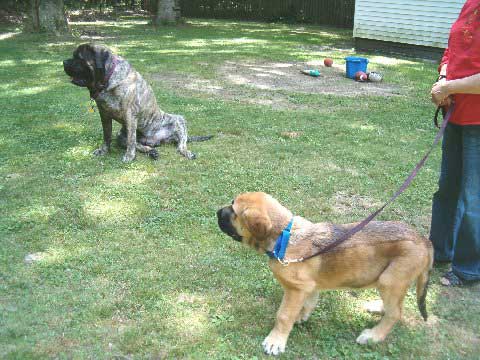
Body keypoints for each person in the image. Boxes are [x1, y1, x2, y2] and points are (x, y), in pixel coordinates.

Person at [430, 0, 480, 286]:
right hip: (457, 112)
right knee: (447, 188)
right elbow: (454, 50)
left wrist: (450, 87)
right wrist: (444, 77)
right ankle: (439, 251)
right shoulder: (470, 4)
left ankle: (469, 268)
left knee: (473, 197)